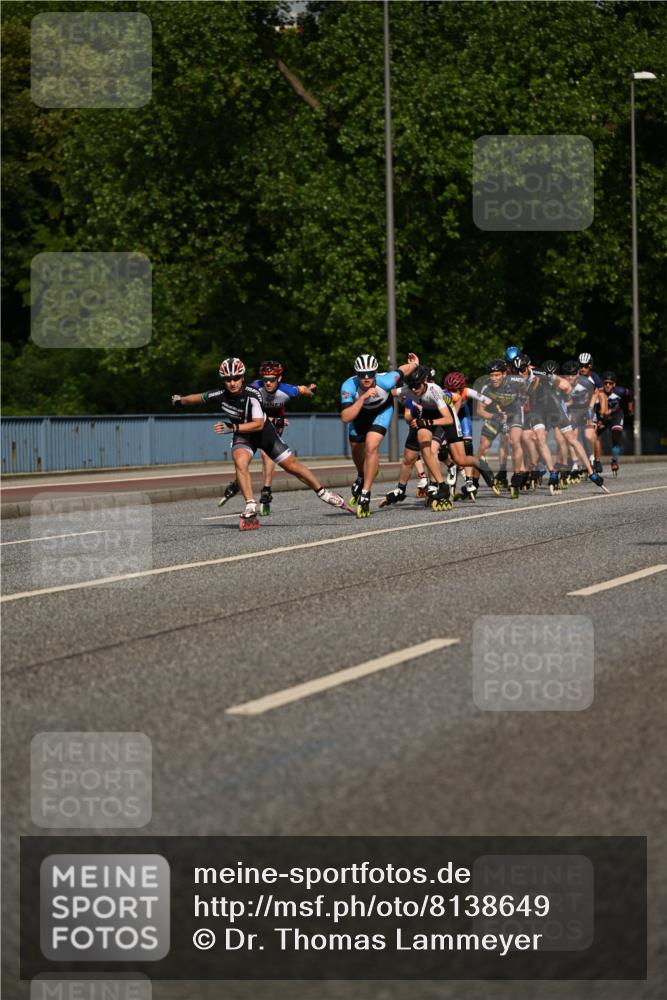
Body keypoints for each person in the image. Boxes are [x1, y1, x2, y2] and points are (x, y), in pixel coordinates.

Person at [172, 357, 350, 529]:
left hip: (264, 432)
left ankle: (323, 492)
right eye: (227, 379)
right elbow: (197, 398)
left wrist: (232, 427)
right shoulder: (219, 394)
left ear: (243, 378)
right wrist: (180, 400)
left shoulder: (253, 394)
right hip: (243, 435)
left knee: (292, 466)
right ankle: (250, 504)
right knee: (240, 461)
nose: (232, 382)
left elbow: (257, 424)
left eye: (236, 378)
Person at [380, 365, 497, 510]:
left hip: (445, 417)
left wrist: (428, 422)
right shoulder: (408, 389)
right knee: (425, 444)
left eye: (417, 386)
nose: (414, 389)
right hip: (428, 416)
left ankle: (479, 463)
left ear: (424, 382)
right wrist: (372, 389)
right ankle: (441, 485)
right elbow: (387, 391)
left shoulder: (434, 391)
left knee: (460, 459)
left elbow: (447, 419)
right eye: (412, 386)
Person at [340, 352, 419, 518]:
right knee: (356, 450)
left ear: (376, 373)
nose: (367, 378)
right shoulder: (348, 386)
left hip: (382, 411)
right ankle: (361, 475)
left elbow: (402, 370)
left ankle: (366, 493)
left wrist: (414, 364)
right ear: (357, 374)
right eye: (362, 375)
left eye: (370, 374)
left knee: (371, 446)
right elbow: (346, 417)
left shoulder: (387, 381)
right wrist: (362, 398)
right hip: (359, 414)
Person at [595, 372, 633, 476]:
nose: (607, 385)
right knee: (594, 436)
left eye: (610, 383)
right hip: (603, 416)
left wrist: (630, 407)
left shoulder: (620, 391)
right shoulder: (598, 392)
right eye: (605, 383)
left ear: (614, 385)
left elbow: (629, 394)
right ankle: (595, 461)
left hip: (616, 416)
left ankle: (614, 460)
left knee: (616, 437)